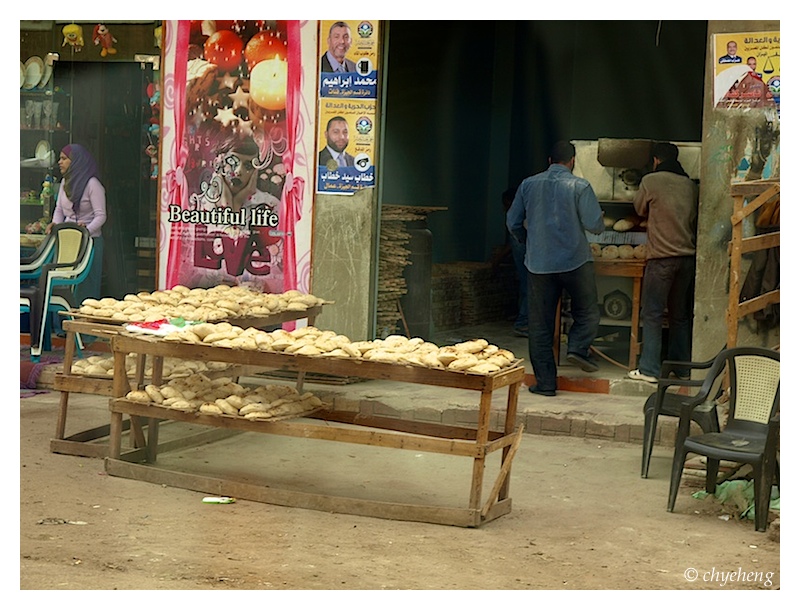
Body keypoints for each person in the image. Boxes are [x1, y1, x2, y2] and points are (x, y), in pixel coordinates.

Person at [507, 140, 605, 397]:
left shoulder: (528, 184)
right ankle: (577, 347)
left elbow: (513, 222)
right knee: (588, 312)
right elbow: (595, 224)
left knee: (540, 325)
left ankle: (546, 384)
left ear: (549, 161)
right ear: (572, 161)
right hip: (576, 262)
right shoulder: (580, 185)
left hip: (539, 265)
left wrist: (529, 242)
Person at [628, 142, 698, 384]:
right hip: (687, 259)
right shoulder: (690, 184)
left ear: (656, 160)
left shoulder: (651, 180)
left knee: (653, 313)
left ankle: (648, 369)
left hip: (662, 260)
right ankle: (682, 368)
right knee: (680, 315)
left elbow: (638, 209)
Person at [47, 143, 107, 303]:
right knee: (62, 283)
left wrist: (86, 230)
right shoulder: (65, 184)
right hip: (68, 243)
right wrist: (55, 224)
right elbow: (59, 210)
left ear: (76, 162)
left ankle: (81, 322)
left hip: (90, 243)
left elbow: (101, 216)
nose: (60, 162)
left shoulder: (92, 184)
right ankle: (61, 323)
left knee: (85, 287)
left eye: (64, 159)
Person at [491, 187, 528, 337]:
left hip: (527, 258)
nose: (504, 209)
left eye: (507, 205)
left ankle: (523, 322)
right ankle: (523, 321)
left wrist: (498, 258)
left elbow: (515, 233)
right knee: (526, 287)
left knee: (528, 287)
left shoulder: (519, 220)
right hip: (526, 258)